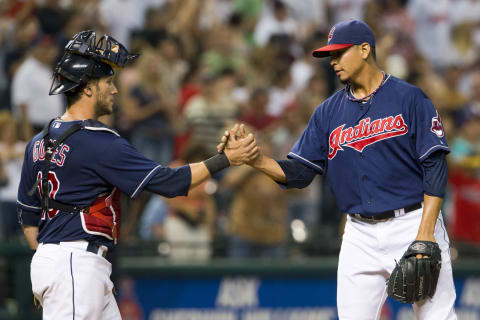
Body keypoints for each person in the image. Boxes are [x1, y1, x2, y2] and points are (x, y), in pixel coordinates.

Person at [219, 20, 456, 319]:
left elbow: (434, 166)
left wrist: (425, 235)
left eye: (339, 53)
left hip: (412, 222)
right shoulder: (327, 112)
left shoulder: (410, 98)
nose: (332, 62)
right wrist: (255, 160)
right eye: (329, 56)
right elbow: (299, 173)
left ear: (365, 49)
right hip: (358, 233)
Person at [16, 30, 258, 320]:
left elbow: (28, 217)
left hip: (63, 261)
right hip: (75, 264)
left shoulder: (39, 141)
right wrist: (226, 159)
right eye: (108, 82)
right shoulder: (98, 141)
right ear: (88, 88)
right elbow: (169, 183)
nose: (115, 90)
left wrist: (47, 263)